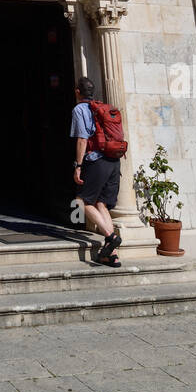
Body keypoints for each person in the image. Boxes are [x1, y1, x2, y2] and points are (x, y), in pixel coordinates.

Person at [71, 76, 122, 266]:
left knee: (82, 201)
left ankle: (110, 237)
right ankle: (112, 254)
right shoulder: (103, 108)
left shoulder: (79, 109)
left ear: (77, 92)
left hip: (96, 160)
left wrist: (78, 166)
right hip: (114, 161)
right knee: (101, 204)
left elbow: (82, 140)